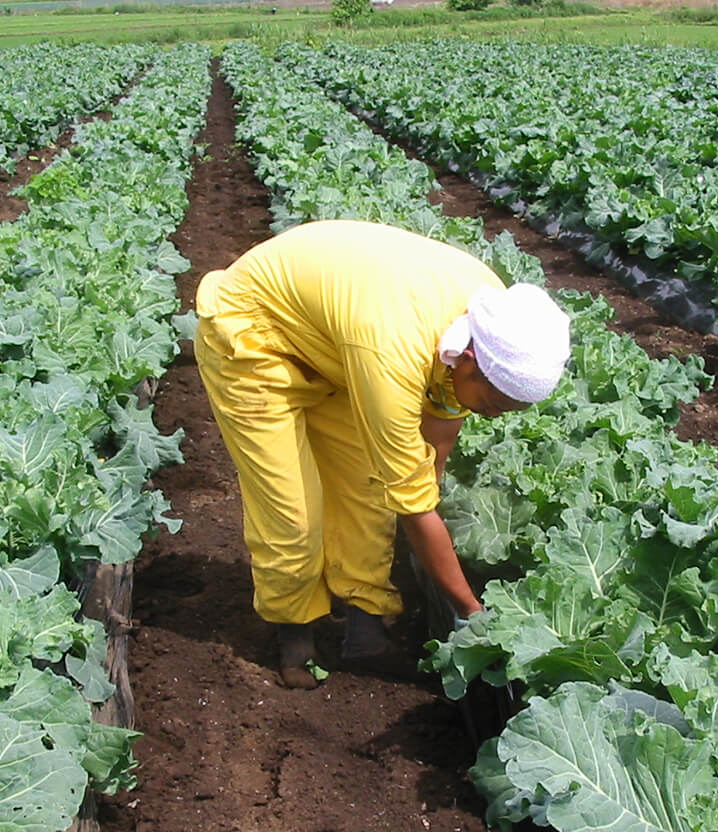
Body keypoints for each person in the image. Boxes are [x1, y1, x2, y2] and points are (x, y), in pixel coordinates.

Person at [193, 220, 570, 689]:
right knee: (292, 517)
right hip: (254, 337)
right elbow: (414, 507)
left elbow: (440, 427)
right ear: (470, 362)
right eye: (493, 405)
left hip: (335, 347)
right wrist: (470, 611)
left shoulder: (493, 321)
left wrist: (425, 487)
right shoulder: (394, 354)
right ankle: (295, 634)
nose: (493, 417)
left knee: (367, 493)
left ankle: (365, 633)